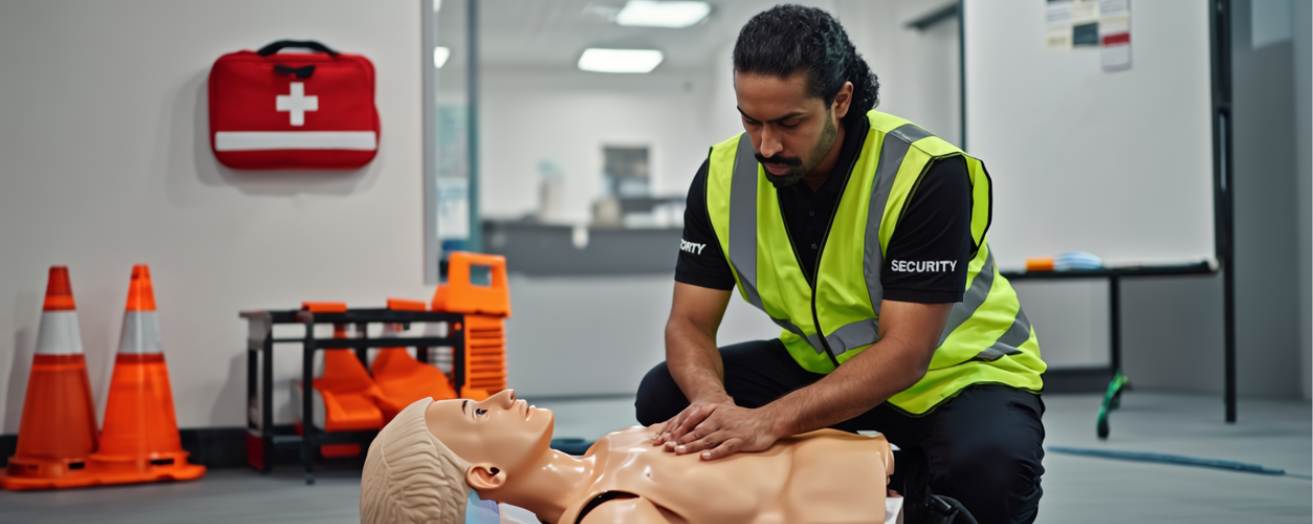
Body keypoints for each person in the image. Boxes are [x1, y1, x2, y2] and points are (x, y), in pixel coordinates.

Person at [634, 5, 1048, 523]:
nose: (767, 145)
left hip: (956, 376)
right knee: (667, 397)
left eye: (789, 123)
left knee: (991, 474)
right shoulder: (723, 175)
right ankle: (830, 480)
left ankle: (906, 475)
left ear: (841, 100)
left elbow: (905, 354)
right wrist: (713, 406)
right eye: (751, 120)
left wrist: (768, 422)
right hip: (828, 367)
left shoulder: (925, 173)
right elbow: (689, 324)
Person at [360, 390, 900, 524]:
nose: (502, 394)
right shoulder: (608, 513)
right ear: (488, 474)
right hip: (872, 509)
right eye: (479, 413)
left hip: (878, 460)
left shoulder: (606, 449)